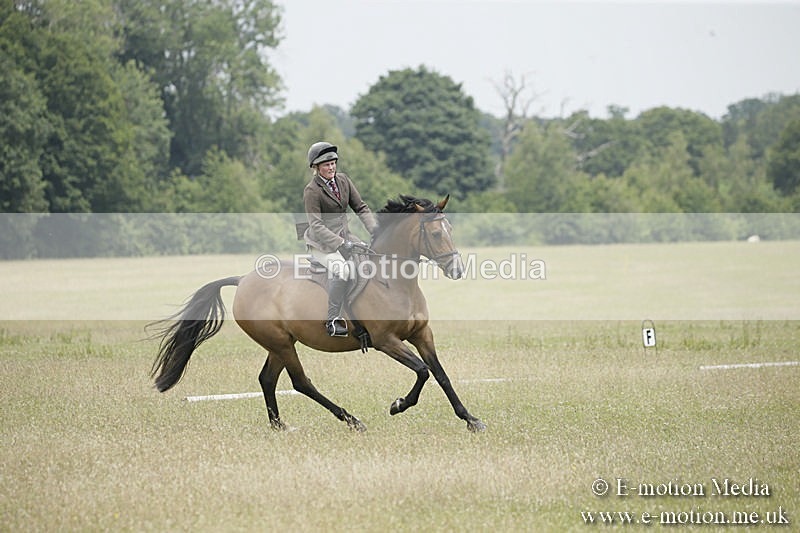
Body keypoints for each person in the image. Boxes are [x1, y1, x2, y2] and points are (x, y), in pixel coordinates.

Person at [303, 141, 378, 337]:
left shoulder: (343, 180)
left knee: (369, 259)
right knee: (343, 269)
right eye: (326, 165)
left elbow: (361, 207)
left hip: (345, 236)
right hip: (321, 244)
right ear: (316, 167)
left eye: (333, 163)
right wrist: (342, 244)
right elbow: (316, 226)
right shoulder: (312, 190)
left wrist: (375, 231)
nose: (331, 167)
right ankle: (333, 319)